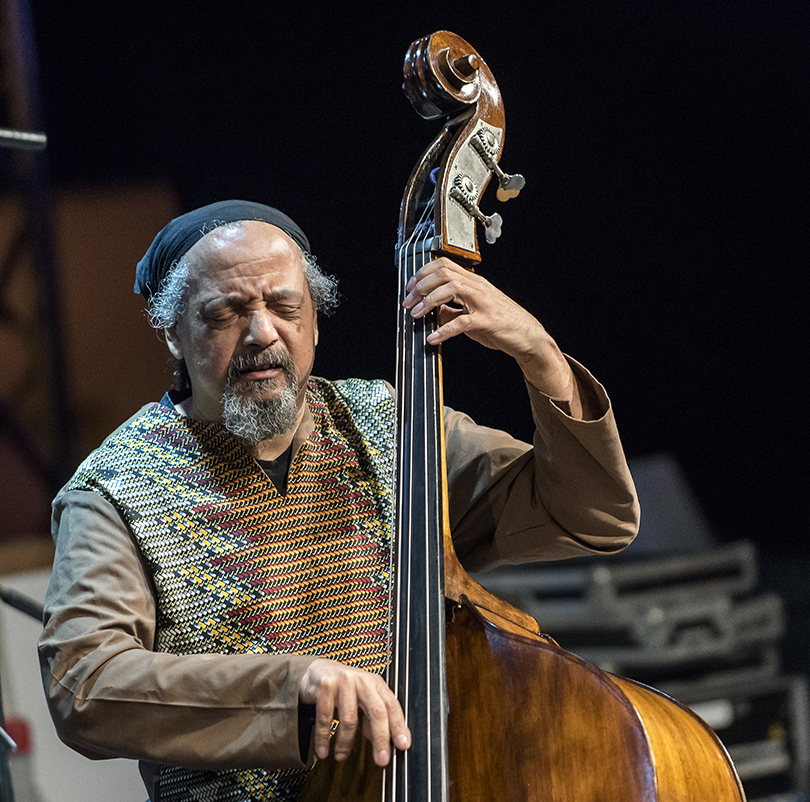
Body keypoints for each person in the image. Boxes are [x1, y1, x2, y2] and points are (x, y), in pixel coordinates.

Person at [38, 200, 639, 802]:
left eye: (284, 306)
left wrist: (541, 359)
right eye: (225, 313)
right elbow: (85, 684)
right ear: (172, 333)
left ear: (315, 322)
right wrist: (292, 686)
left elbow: (592, 516)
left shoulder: (394, 426)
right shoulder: (113, 489)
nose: (261, 332)